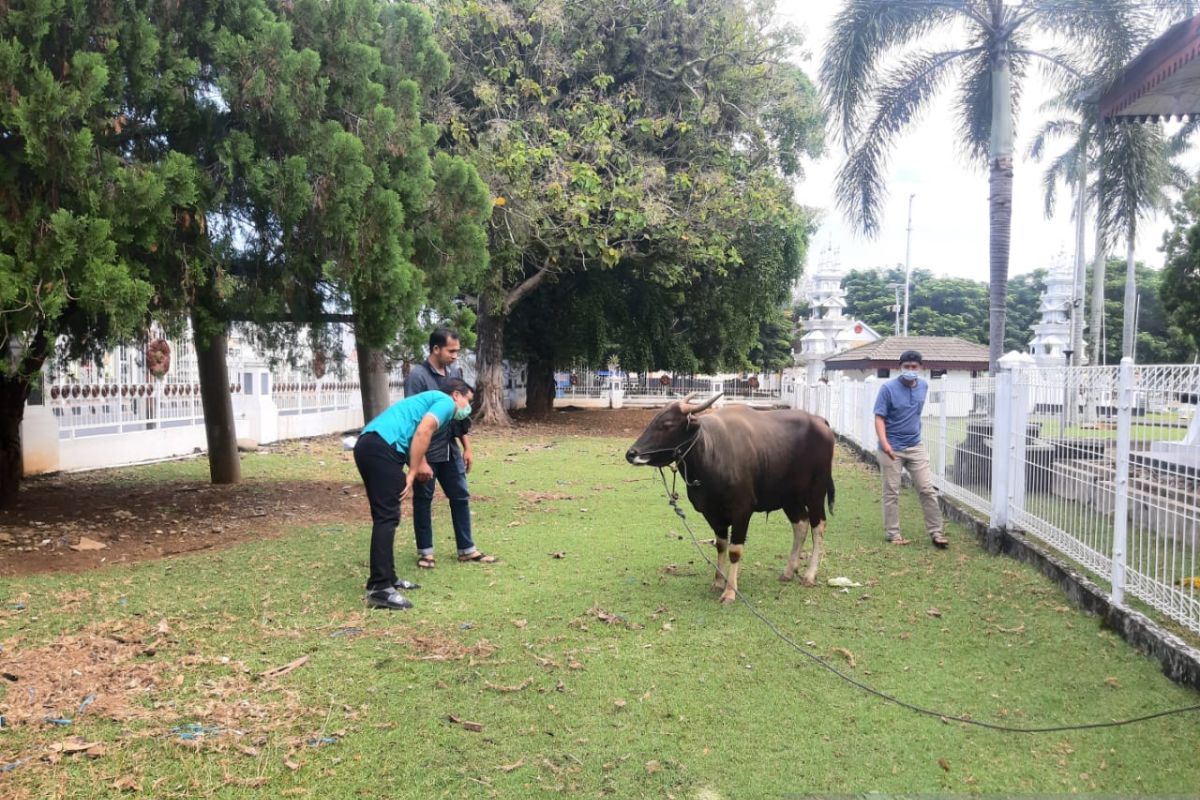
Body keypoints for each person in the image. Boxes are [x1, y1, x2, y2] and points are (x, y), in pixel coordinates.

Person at [353, 379, 475, 610]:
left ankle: (388, 579)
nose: (467, 407)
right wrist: (412, 471)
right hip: (381, 448)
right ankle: (379, 588)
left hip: (371, 444)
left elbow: (413, 433)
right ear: (456, 395)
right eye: (467, 401)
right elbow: (423, 431)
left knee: (387, 515)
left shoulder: (428, 401)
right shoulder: (445, 402)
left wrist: (416, 464)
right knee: (386, 517)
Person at [403, 328, 496, 569]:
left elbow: (460, 415)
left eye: (457, 350)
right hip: (427, 448)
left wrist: (467, 447)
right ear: (436, 349)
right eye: (451, 350)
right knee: (424, 498)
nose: (456, 355)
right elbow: (415, 420)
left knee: (460, 494)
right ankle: (426, 552)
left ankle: (466, 549)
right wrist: (419, 460)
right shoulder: (418, 377)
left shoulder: (455, 372)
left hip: (450, 445)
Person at [872, 349, 948, 548]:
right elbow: (879, 417)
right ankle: (893, 533)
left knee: (926, 488)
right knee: (892, 491)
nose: (910, 370)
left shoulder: (923, 386)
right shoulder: (887, 389)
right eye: (907, 367)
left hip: (915, 445)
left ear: (921, 368)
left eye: (914, 367)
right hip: (891, 448)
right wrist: (885, 443)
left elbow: (915, 412)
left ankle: (936, 532)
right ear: (900, 368)